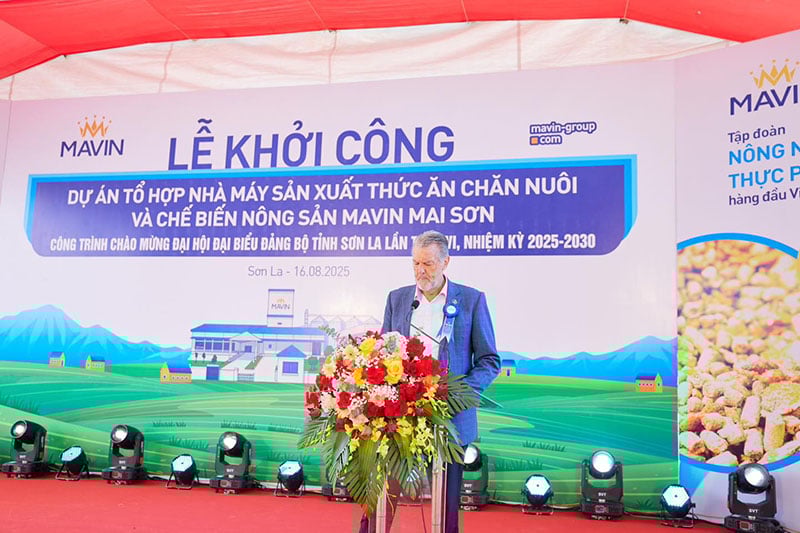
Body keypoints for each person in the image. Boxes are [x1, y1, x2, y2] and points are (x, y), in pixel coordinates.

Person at [360, 230, 501, 533]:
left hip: (449, 420)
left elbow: (489, 361)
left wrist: (459, 395)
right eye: (415, 263)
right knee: (380, 499)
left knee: (445, 511)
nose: (420, 271)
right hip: (399, 418)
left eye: (427, 264)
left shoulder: (472, 300)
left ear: (446, 262)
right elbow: (384, 353)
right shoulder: (397, 299)